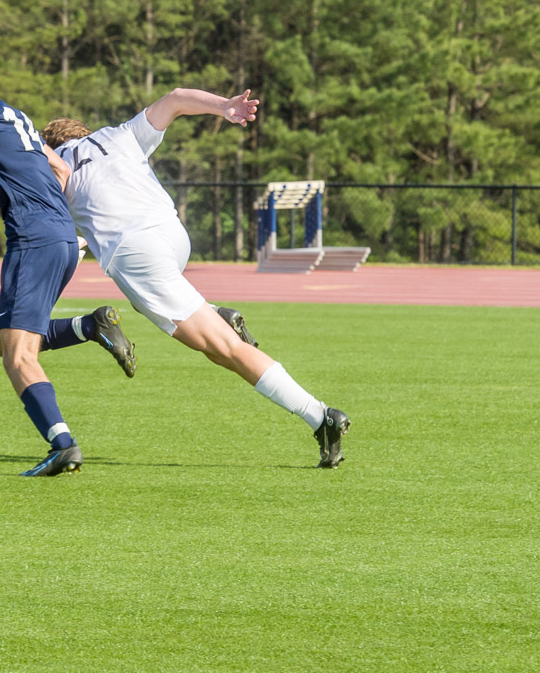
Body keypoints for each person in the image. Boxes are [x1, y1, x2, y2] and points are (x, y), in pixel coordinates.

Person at [41, 88, 351, 468]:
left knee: (227, 350)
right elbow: (174, 99)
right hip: (172, 235)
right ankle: (214, 312)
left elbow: (62, 205)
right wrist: (225, 107)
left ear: (54, 144)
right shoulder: (118, 134)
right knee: (184, 328)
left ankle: (320, 417)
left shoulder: (56, 163)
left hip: (136, 252)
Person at [0, 29, 136, 477]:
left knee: (18, 357)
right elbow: (60, 166)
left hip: (32, 240)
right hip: (62, 238)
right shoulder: (14, 114)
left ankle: (63, 444)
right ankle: (89, 326)